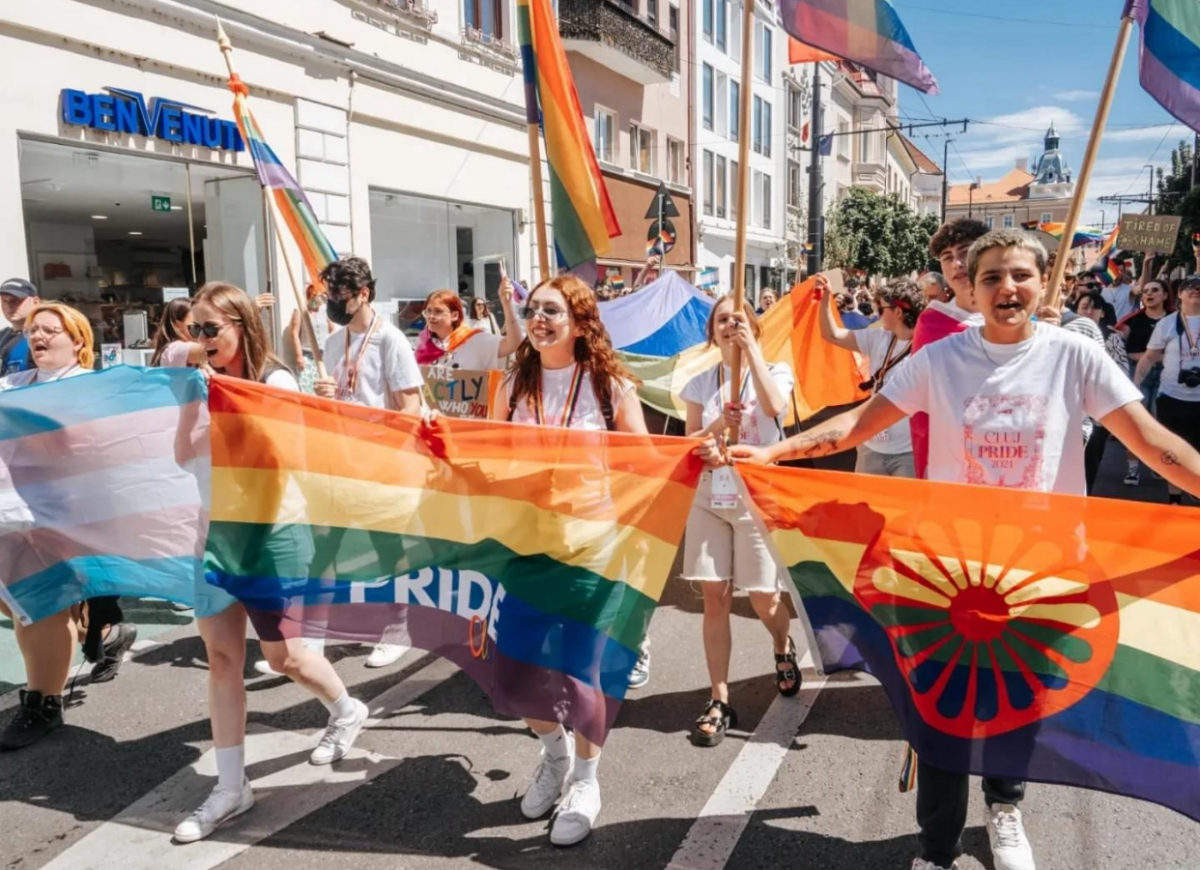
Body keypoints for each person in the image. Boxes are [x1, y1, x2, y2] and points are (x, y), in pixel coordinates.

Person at [725, 230, 1200, 870]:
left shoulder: (1075, 357)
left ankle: (1005, 810)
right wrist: (777, 453)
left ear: (1042, 284)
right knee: (943, 706)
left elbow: (1152, 443)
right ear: (970, 290)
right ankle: (937, 846)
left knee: (1020, 701)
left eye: (1021, 276)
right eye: (994, 277)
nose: (1008, 288)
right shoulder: (940, 360)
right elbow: (858, 424)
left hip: (1042, 572)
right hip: (948, 573)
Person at [174, 282, 370, 843]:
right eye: (195, 330)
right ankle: (232, 786)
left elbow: (288, 458)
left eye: (212, 329)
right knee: (220, 658)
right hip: (210, 534)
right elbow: (181, 454)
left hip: (270, 535)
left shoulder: (275, 381)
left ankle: (345, 708)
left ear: (241, 327)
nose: (202, 340)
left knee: (284, 658)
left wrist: (230, 402)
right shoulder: (193, 383)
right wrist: (193, 403)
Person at [490, 275, 647, 847]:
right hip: (528, 549)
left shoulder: (611, 388)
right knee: (516, 674)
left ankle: (585, 780)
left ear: (580, 323)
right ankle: (553, 757)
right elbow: (486, 454)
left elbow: (646, 466)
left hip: (592, 550)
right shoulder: (513, 385)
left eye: (552, 310)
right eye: (533, 309)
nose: (539, 318)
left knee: (582, 675)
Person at [0, 304, 139, 750]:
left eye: (49, 330)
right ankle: (101, 632)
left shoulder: (90, 388)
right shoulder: (14, 384)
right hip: (13, 515)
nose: (37, 336)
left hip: (64, 516)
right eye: (31, 330)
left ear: (78, 341)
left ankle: (43, 702)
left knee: (39, 606)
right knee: (20, 605)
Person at [679, 295, 799, 751]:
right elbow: (688, 443)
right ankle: (719, 699)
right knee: (715, 596)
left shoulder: (776, 369)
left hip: (755, 495)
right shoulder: (698, 382)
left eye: (740, 318)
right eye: (722, 319)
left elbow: (773, 408)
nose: (731, 324)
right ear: (712, 331)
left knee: (765, 599)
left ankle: (781, 645)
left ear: (754, 325)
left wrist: (752, 353)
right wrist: (714, 426)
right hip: (710, 496)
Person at [313, 256, 425, 669]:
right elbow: (331, 404)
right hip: (339, 460)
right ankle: (314, 633)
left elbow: (409, 406)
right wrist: (326, 398)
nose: (333, 303)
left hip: (379, 461)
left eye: (340, 295)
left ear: (363, 294)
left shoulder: (390, 340)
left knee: (386, 545)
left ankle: (398, 629)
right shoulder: (331, 341)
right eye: (329, 295)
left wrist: (371, 429)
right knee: (323, 545)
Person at [817, 276, 925, 477]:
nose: (877, 313)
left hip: (907, 452)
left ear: (898, 312)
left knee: (902, 509)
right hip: (871, 448)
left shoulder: (926, 345)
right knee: (863, 507)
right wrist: (825, 301)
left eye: (881, 308)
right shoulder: (878, 338)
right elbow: (830, 334)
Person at [909, 218, 990, 479]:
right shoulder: (933, 321)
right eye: (947, 257)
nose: (956, 263)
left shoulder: (1015, 317)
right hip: (951, 456)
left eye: (965, 253)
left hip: (1003, 449)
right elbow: (918, 394)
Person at [1134, 273, 1200, 505]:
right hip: (1172, 398)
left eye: (1198, 286)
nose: (1194, 290)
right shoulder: (1168, 323)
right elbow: (1150, 357)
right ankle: (1175, 498)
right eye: (1188, 286)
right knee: (1173, 453)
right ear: (1179, 294)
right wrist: (1135, 387)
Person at [1117, 270, 1171, 485]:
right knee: (1136, 423)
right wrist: (1151, 356)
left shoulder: (1175, 320)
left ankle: (1159, 464)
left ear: (1165, 295)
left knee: (1162, 423)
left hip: (1167, 377)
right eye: (1146, 291)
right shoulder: (1133, 321)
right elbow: (1124, 351)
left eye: (1155, 291)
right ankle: (1133, 469)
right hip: (1138, 373)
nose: (1149, 295)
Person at [414, 283, 520, 371]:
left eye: (438, 311)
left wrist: (507, 304)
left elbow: (513, 344)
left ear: (454, 315)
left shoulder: (476, 341)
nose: (431, 316)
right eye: (428, 311)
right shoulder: (423, 344)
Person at [150, 297, 207, 368]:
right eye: (196, 327)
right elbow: (206, 352)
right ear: (178, 325)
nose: (201, 333)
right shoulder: (174, 349)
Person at [0, 278, 39, 376]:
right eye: (4, 301)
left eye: (15, 300)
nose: (9, 305)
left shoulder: (42, 336)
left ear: (35, 302)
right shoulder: (2, 335)